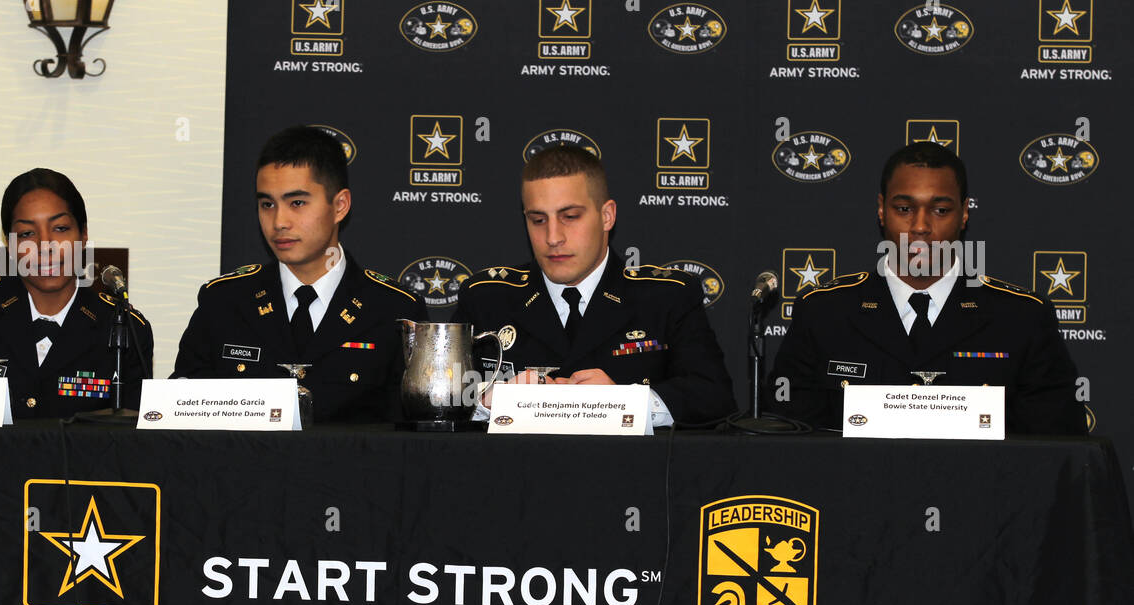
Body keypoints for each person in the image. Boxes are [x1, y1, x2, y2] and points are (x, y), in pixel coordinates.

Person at [768, 143, 1086, 435]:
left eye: (940, 210)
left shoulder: (1021, 317)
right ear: (881, 210)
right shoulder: (825, 312)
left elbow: (1057, 451)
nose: (920, 226)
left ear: (964, 213)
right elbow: (786, 441)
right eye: (904, 209)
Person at [454, 145, 735, 427]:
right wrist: (487, 400)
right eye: (538, 220)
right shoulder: (487, 299)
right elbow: (432, 399)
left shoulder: (666, 297)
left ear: (607, 216)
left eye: (570, 216)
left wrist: (624, 403)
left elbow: (714, 397)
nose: (553, 237)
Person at [171, 125, 425, 423]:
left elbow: (413, 441)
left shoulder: (394, 310)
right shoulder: (224, 302)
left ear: (340, 206)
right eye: (267, 204)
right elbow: (182, 418)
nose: (279, 221)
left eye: (297, 203)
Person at [0, 169, 153, 418]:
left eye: (60, 228)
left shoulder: (123, 326)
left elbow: (130, 443)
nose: (45, 246)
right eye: (27, 234)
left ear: (83, 234)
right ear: (9, 243)